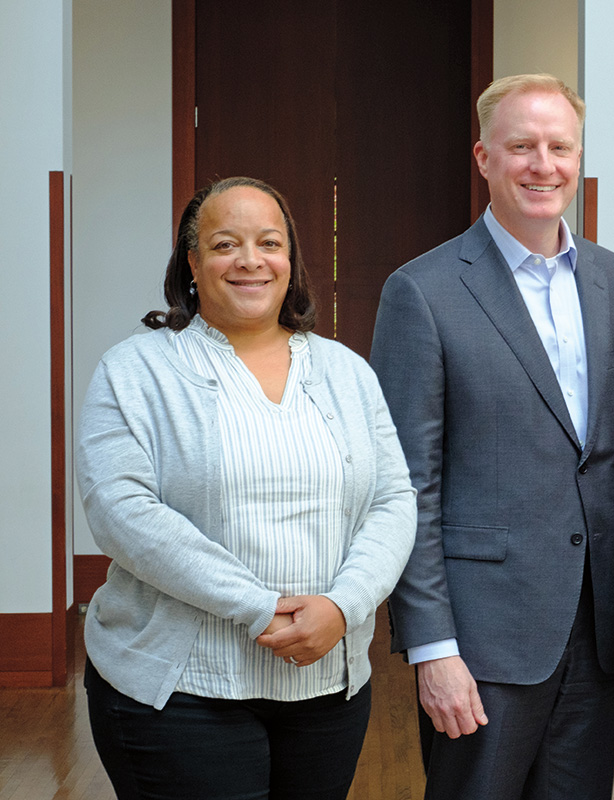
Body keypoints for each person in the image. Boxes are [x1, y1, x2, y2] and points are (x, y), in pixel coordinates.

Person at [370, 74, 614, 800]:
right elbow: (406, 484)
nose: (544, 164)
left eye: (559, 146)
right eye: (522, 146)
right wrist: (432, 647)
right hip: (482, 643)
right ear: (483, 158)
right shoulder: (424, 291)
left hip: (598, 636)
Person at [77, 176, 417, 799]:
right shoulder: (135, 369)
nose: (250, 260)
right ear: (192, 263)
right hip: (181, 689)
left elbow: (394, 500)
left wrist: (343, 606)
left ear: (291, 260)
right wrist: (261, 608)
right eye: (225, 244)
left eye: (269, 242)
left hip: (327, 685)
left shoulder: (346, 371)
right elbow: (122, 513)